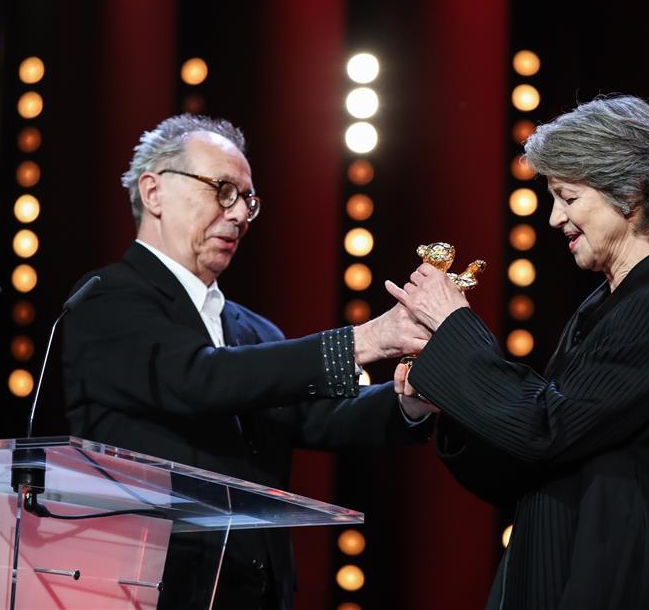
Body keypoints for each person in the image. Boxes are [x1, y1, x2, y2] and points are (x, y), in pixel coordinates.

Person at [62, 114, 436, 610]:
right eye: (222, 190)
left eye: (247, 199)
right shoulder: (105, 300)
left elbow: (318, 417)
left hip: (251, 590)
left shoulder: (253, 329)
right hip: (149, 588)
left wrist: (411, 400)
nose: (239, 213)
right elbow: (197, 379)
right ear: (154, 193)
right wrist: (363, 340)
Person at [387, 95, 649, 609]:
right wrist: (445, 403)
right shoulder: (607, 304)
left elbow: (547, 428)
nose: (553, 218)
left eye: (568, 197)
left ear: (630, 192)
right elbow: (527, 458)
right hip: (562, 564)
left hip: (614, 578)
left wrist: (454, 327)